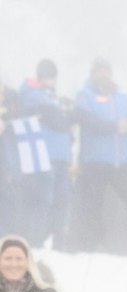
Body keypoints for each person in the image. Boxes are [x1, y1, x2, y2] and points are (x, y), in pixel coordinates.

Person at [71, 59, 127, 254]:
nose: (104, 75)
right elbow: (87, 120)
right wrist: (116, 127)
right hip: (95, 161)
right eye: (100, 72)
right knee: (93, 204)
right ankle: (92, 245)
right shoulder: (84, 95)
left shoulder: (122, 96)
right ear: (93, 74)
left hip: (122, 161)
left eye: (107, 71)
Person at [13, 61, 73, 249]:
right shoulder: (33, 95)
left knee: (63, 199)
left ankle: (58, 240)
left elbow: (61, 120)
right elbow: (58, 121)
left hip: (61, 156)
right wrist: (64, 113)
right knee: (43, 200)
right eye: (48, 76)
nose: (52, 80)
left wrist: (63, 112)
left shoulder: (51, 97)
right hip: (43, 156)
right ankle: (35, 241)